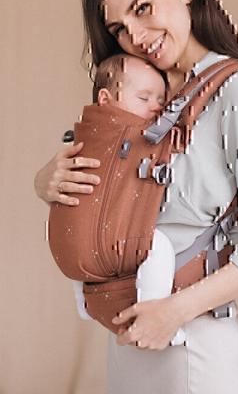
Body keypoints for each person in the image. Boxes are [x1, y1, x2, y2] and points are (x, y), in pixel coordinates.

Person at [34, 0, 238, 394]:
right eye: (119, 28)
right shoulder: (144, 94)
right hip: (129, 332)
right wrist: (46, 182)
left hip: (191, 340)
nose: (136, 36)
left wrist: (173, 312)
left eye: (143, 8)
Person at [70, 52, 187, 346]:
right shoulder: (127, 136)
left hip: (84, 234)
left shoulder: (88, 134)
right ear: (106, 100)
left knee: (79, 243)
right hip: (107, 229)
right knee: (159, 246)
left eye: (161, 100)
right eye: (144, 98)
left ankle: (84, 300)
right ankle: (150, 316)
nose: (156, 106)